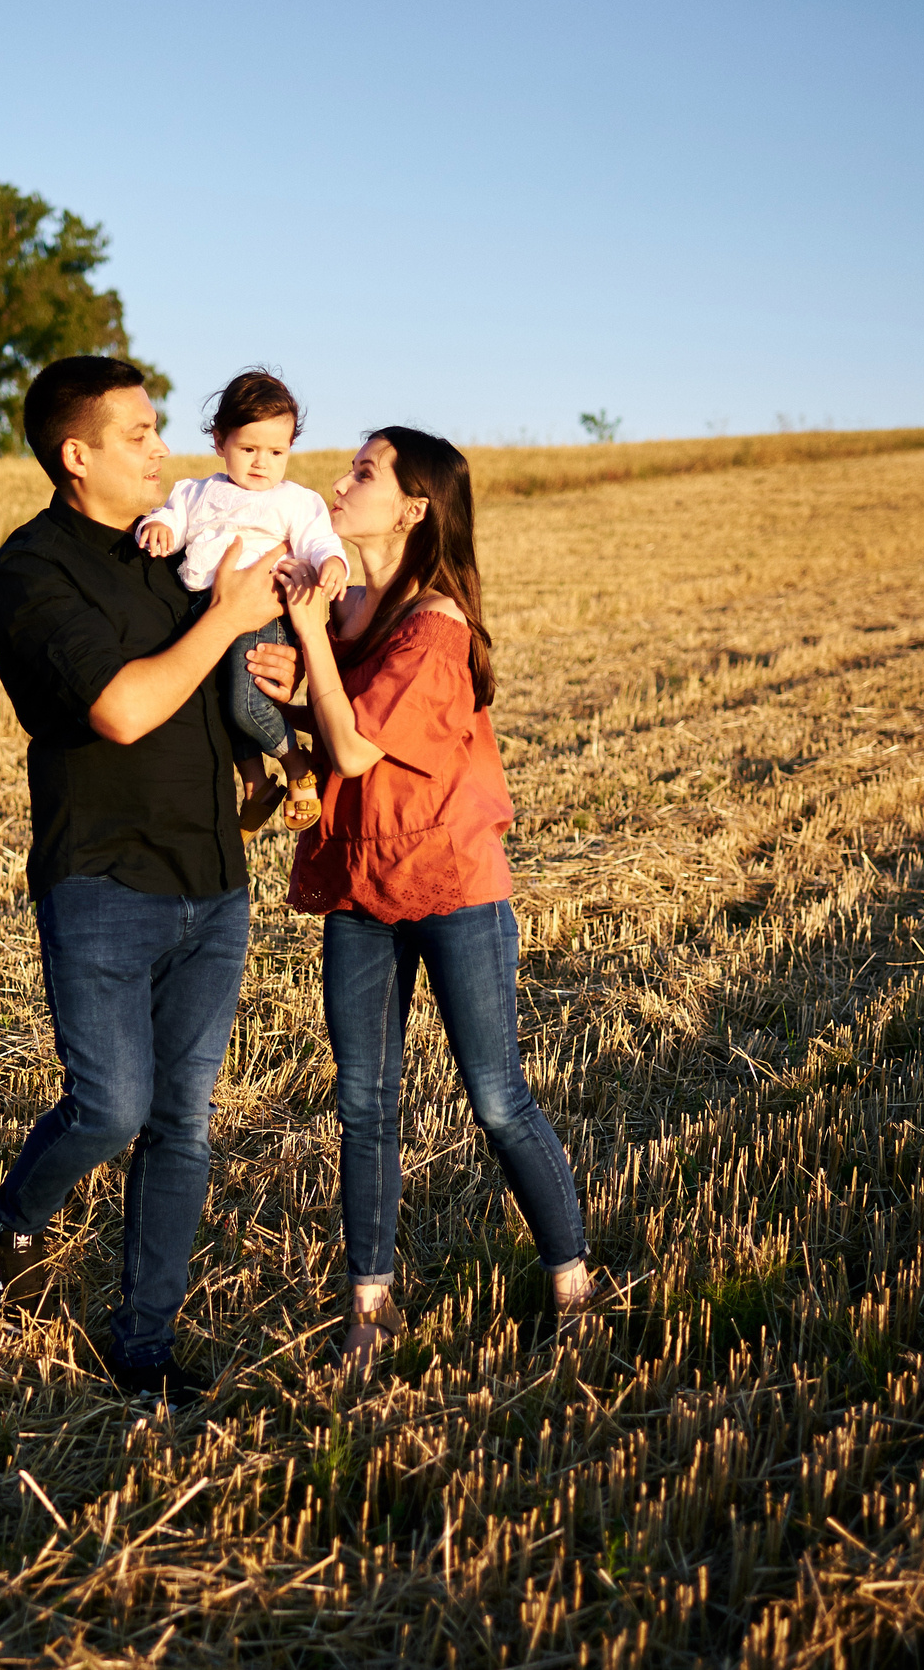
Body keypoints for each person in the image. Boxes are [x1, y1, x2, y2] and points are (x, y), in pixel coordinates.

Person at [0, 355, 293, 1403]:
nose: (163, 448)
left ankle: (145, 1346)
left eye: (159, 430)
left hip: (215, 875)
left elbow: (217, 683)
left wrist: (271, 697)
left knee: (181, 1123)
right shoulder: (33, 570)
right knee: (112, 1106)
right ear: (77, 455)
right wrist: (223, 620)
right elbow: (119, 708)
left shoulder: (175, 552)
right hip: (104, 877)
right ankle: (11, 1223)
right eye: (139, 433)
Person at [248, 426, 595, 1366]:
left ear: (412, 508)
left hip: (449, 882)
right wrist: (290, 685)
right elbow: (331, 718)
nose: (339, 482)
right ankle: (370, 1307)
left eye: (364, 471)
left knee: (497, 1100)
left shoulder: (437, 625)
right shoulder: (352, 607)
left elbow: (355, 746)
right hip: (361, 880)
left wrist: (309, 646)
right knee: (363, 1103)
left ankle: (574, 1287)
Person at [133, 370, 349, 833]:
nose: (261, 463)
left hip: (258, 616)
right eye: (248, 449)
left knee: (245, 705)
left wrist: (332, 563)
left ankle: (296, 766)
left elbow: (320, 542)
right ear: (219, 441)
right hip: (203, 611)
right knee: (213, 704)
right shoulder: (194, 492)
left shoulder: (295, 501)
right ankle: (255, 784)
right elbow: (168, 520)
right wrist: (158, 528)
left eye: (276, 452)